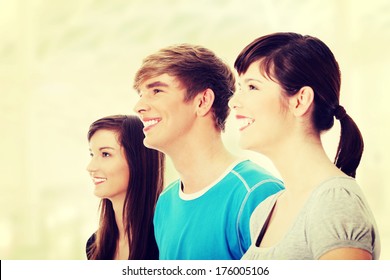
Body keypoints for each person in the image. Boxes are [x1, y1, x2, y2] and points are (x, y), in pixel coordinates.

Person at [229, 32, 380, 260]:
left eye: (252, 87)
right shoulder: (264, 212)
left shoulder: (335, 202)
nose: (233, 101)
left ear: (300, 101)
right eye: (240, 87)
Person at [133, 43, 284, 260]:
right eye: (141, 93)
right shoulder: (165, 203)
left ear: (202, 101)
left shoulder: (258, 193)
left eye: (156, 91)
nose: (138, 106)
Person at [85, 115, 165, 260]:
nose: (90, 167)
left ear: (138, 161)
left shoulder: (165, 242)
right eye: (92, 154)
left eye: (105, 154)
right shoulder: (94, 245)